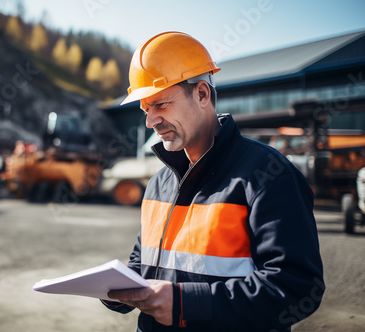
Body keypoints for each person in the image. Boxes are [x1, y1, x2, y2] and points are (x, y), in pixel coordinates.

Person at [101, 31, 324, 332]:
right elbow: (144, 262)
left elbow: (296, 287)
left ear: (202, 94)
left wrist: (185, 304)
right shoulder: (158, 183)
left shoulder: (267, 176)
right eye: (146, 109)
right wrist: (120, 291)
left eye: (160, 104)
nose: (150, 121)